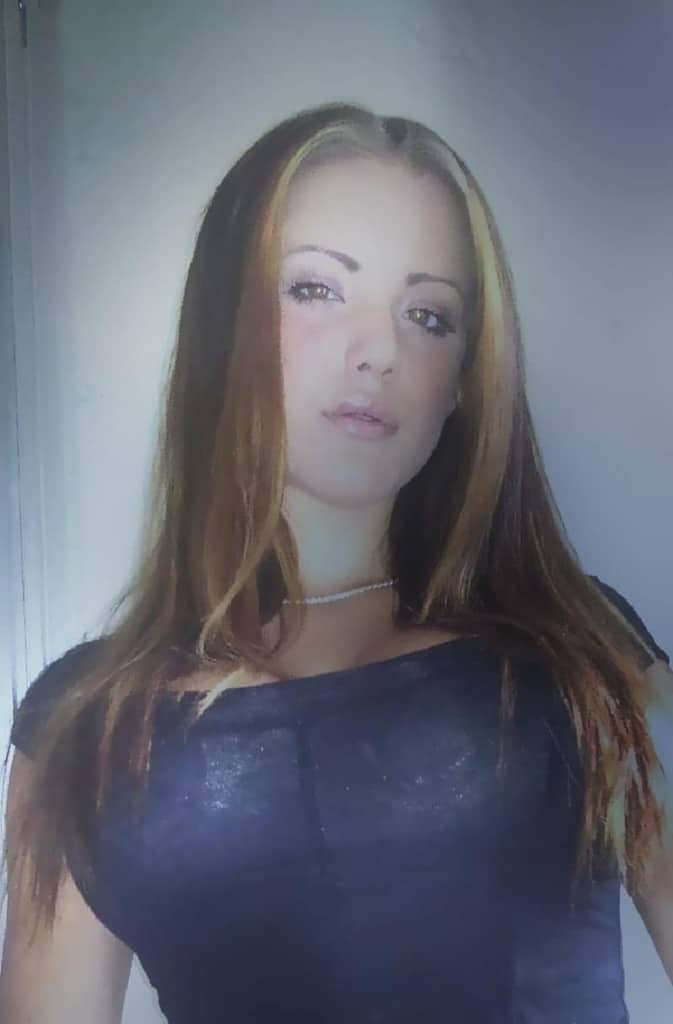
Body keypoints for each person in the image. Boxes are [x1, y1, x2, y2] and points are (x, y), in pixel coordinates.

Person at [1, 102, 671, 1023]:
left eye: (427, 315)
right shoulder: (84, 721)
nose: (378, 352)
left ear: (462, 385)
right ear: (223, 327)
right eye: (315, 289)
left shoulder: (579, 647)